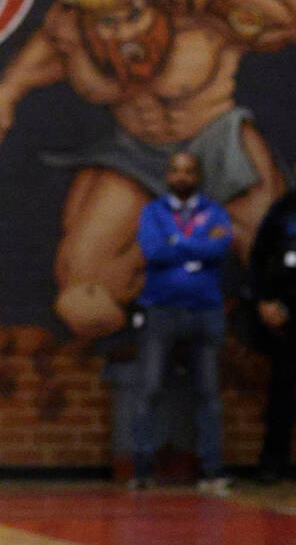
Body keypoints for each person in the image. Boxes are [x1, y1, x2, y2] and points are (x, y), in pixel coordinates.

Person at [0, 0, 295, 338]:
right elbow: (46, 52)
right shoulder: (76, 31)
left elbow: (285, 17)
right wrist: (5, 92)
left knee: (277, 275)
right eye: (107, 21)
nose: (119, 34)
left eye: (132, 14)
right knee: (84, 298)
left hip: (219, 142)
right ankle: (152, 337)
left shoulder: (200, 13)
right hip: (137, 154)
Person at [130, 151, 233, 493]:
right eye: (176, 170)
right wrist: (196, 247)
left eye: (189, 170)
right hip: (160, 311)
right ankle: (143, 471)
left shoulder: (214, 212)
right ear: (167, 176)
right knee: (150, 389)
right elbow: (153, 251)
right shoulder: (154, 212)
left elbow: (220, 249)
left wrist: (177, 242)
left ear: (198, 175)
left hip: (204, 311)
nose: (182, 176)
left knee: (207, 394)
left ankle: (212, 471)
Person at [248, 188, 296, 483]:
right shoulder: (283, 208)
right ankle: (273, 462)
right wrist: (265, 300)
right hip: (286, 312)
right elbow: (259, 257)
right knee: (282, 389)